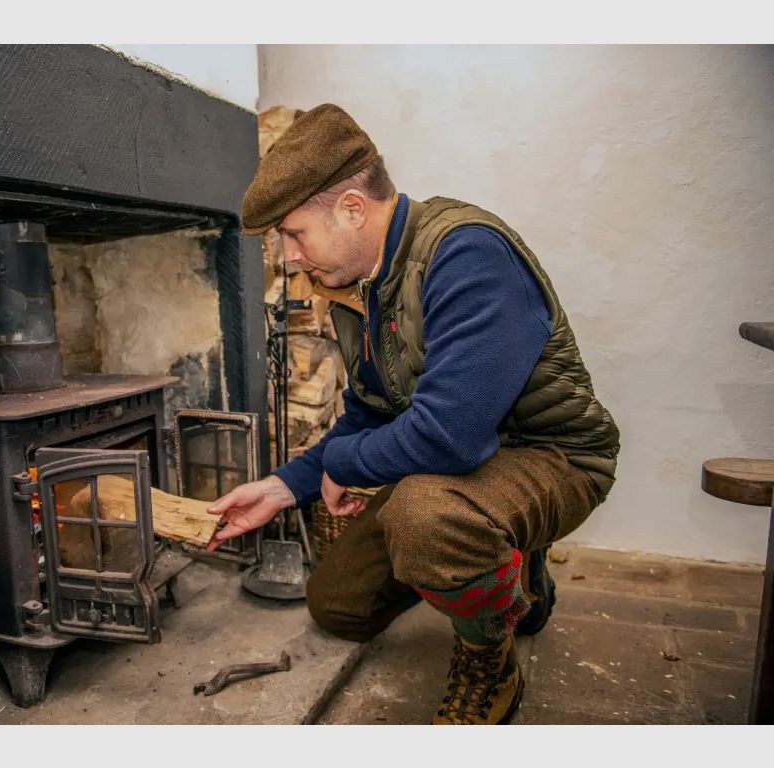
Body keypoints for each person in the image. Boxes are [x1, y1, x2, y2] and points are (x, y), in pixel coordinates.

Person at [205, 103, 619, 725]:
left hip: (552, 457)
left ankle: (489, 663)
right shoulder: (361, 293)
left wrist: (345, 463)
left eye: (293, 234)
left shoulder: (467, 254)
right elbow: (366, 415)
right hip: (462, 465)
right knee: (338, 607)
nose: (288, 257)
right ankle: (505, 563)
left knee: (424, 518)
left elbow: (449, 439)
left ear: (350, 208)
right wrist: (281, 487)